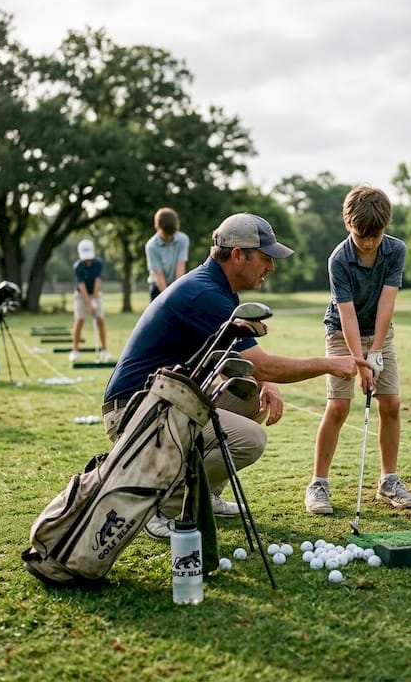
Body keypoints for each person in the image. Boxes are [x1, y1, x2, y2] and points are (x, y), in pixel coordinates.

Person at [102, 212, 367, 540]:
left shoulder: (219, 289)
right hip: (133, 414)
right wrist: (330, 363)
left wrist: (265, 383)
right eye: (265, 258)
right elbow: (263, 364)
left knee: (251, 393)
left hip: (162, 405)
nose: (271, 267)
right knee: (250, 440)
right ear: (238, 255)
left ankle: (206, 495)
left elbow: (236, 360)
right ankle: (163, 506)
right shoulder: (206, 295)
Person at [304, 185, 411, 515]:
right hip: (342, 333)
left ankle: (388, 481)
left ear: (386, 227)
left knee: (392, 402)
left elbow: (387, 303)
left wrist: (376, 352)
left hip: (380, 332)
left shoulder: (395, 250)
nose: (368, 243)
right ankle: (318, 484)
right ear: (347, 226)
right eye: (361, 235)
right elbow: (347, 314)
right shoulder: (339, 259)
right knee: (339, 406)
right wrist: (360, 362)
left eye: (375, 235)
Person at [69, 239, 112, 363]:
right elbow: (81, 285)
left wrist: (95, 299)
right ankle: (75, 351)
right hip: (81, 295)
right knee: (79, 320)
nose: (87, 260)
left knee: (100, 320)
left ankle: (104, 350)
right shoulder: (78, 266)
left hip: (95, 293)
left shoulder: (98, 263)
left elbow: (97, 281)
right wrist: (88, 303)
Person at [145, 207, 189, 302]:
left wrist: (178, 293)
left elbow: (180, 269)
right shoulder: (151, 246)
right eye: (166, 235)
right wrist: (169, 299)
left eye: (172, 235)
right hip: (157, 287)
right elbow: (159, 275)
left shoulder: (183, 239)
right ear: (157, 227)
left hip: (177, 284)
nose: (169, 238)